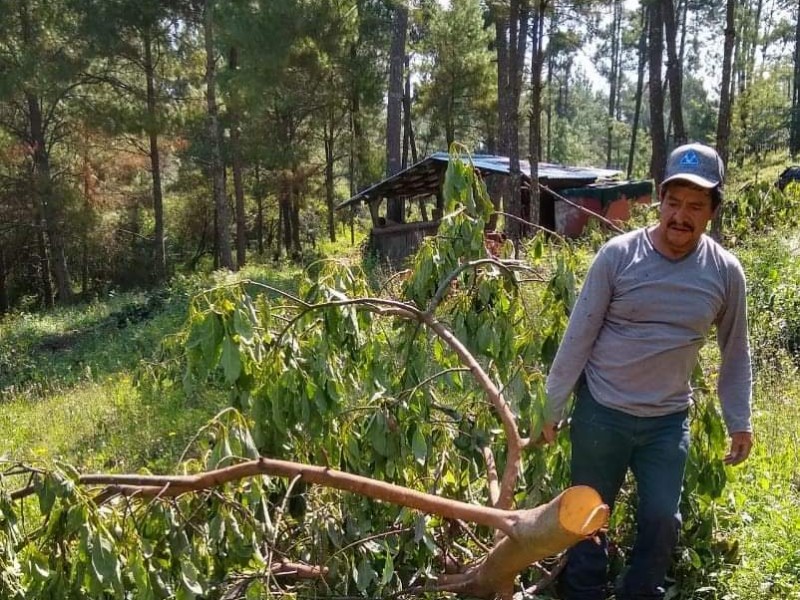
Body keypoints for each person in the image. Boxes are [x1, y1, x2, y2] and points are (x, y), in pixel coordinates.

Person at [541, 143, 753, 600]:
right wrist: (552, 406)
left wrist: (740, 419)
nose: (681, 215)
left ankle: (640, 590)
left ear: (712, 211)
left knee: (661, 517)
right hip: (603, 413)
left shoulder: (725, 273)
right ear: (660, 200)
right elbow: (578, 335)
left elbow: (735, 351)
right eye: (673, 202)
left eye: (695, 206)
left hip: (666, 422)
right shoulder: (618, 256)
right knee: (587, 512)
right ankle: (583, 592)